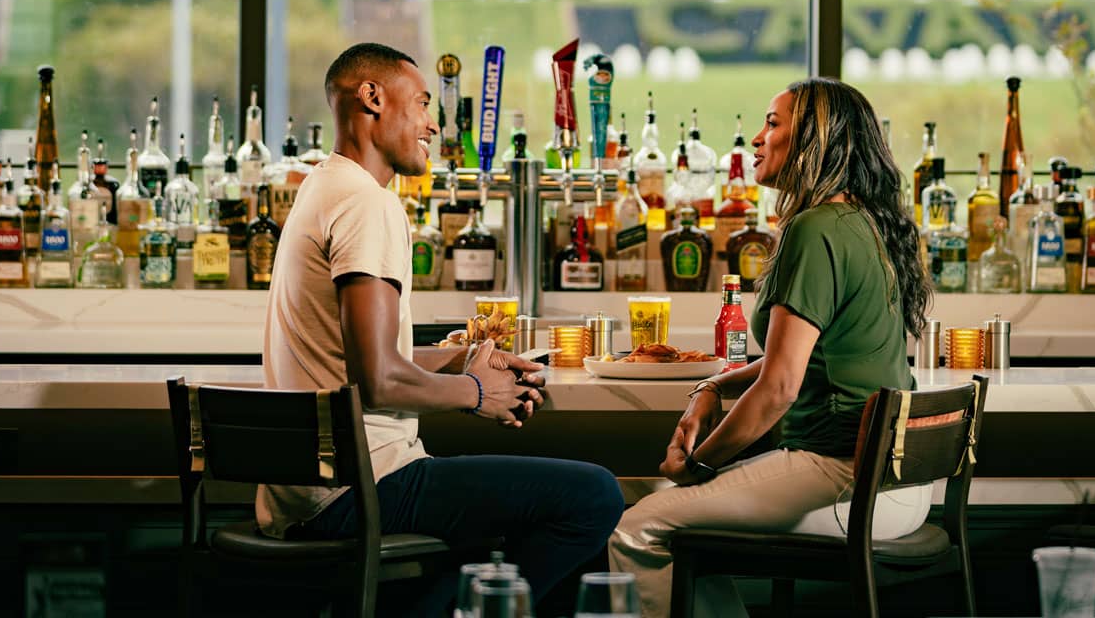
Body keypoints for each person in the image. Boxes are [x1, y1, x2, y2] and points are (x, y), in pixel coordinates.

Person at [258, 43, 623, 616]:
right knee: (593, 496)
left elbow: (354, 359)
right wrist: (477, 394)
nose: (434, 122)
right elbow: (377, 380)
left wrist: (463, 363)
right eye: (424, 102)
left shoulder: (320, 188)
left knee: (516, 527)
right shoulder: (366, 204)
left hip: (305, 490)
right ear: (372, 98)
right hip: (360, 489)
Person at [608, 78, 934, 617]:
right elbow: (802, 358)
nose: (757, 139)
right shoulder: (867, 222)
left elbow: (779, 388)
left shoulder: (814, 229)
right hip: (899, 486)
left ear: (814, 140)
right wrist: (713, 384)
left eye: (773, 124)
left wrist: (700, 466)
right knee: (667, 520)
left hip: (844, 483)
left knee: (637, 527)